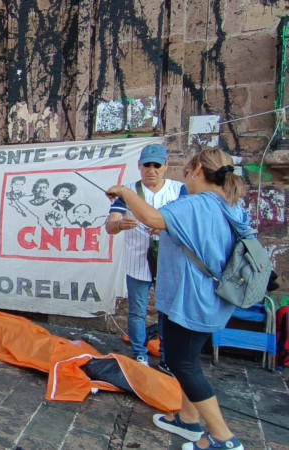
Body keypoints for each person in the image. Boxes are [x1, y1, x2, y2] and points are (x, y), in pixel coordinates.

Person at [106, 149, 248, 450]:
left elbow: (151, 217)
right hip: (211, 298)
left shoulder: (195, 204)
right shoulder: (230, 204)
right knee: (188, 360)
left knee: (183, 364)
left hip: (191, 299)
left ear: (196, 169)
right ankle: (188, 418)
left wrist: (123, 192)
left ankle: (223, 437)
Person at [105, 144, 186, 371]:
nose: (152, 170)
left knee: (168, 311)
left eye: (156, 165)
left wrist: (166, 228)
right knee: (137, 311)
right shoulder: (128, 191)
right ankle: (140, 353)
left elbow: (187, 224)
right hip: (138, 259)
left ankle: (167, 356)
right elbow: (110, 225)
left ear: (166, 166)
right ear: (139, 166)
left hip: (168, 261)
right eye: (147, 165)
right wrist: (120, 224)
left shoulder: (179, 190)